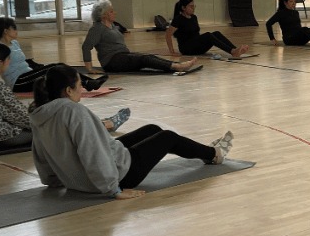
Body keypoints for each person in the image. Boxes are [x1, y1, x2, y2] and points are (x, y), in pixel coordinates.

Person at [30, 65, 232, 200]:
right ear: (68, 90)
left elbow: (40, 153)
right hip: (119, 177)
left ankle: (207, 154)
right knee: (167, 137)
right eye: (79, 84)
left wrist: (53, 181)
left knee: (152, 130)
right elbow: (92, 152)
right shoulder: (73, 111)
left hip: (76, 180)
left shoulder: (40, 112)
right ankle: (215, 155)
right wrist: (113, 189)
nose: (83, 89)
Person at [0, 17, 107, 93]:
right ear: (5, 31)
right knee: (54, 69)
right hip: (18, 82)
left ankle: (87, 83)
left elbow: (22, 62)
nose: (16, 31)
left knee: (59, 66)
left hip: (27, 74)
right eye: (14, 29)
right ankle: (86, 83)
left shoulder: (14, 43)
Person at [82, 0, 198, 74]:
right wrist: (90, 69)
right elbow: (86, 47)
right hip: (111, 61)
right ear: (104, 15)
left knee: (147, 56)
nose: (115, 13)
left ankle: (175, 65)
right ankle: (177, 66)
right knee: (144, 59)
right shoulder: (97, 28)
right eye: (112, 11)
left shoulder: (112, 25)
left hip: (122, 55)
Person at [165, 0, 249, 58]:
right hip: (187, 48)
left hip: (197, 46)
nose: (193, 8)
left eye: (194, 6)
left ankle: (235, 49)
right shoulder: (178, 19)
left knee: (216, 33)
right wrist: (172, 51)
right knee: (208, 35)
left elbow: (196, 35)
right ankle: (233, 52)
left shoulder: (194, 17)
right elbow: (168, 35)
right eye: (191, 6)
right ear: (183, 8)